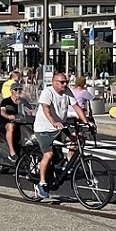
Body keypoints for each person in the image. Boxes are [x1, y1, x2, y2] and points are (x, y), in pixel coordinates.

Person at [33, 69, 79, 203]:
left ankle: (67, 166)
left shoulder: (67, 92)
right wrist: (54, 122)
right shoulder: (47, 92)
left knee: (77, 140)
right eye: (62, 82)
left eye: (66, 82)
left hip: (60, 127)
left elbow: (76, 107)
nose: (65, 85)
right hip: (44, 129)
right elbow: (46, 109)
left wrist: (87, 122)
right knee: (49, 155)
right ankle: (42, 183)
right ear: (54, 82)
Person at [0, 78, 24, 173]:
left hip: (21, 123)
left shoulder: (23, 101)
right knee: (11, 127)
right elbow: (3, 112)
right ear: (11, 91)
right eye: (16, 89)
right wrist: (8, 116)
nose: (18, 91)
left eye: (20, 89)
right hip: (7, 123)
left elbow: (30, 110)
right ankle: (11, 151)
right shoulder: (6, 101)